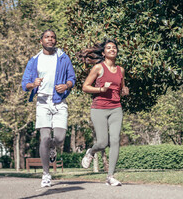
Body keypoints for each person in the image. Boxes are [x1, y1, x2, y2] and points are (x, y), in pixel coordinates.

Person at [22, 29, 76, 188]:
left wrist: (66, 85)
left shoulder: (63, 58)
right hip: (43, 102)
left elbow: (72, 78)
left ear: (56, 41)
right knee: (44, 138)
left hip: (60, 101)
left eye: (53, 37)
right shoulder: (34, 60)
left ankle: (53, 147)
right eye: (47, 37)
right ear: (41, 41)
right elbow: (25, 83)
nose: (50, 40)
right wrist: (34, 84)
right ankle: (46, 174)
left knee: (59, 139)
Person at [77, 38, 129, 186]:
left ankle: (110, 176)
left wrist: (124, 91)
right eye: (109, 48)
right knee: (102, 142)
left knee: (115, 141)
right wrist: (100, 89)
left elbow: (121, 88)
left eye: (114, 48)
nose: (112, 50)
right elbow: (85, 87)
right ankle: (91, 152)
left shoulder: (121, 70)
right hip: (99, 108)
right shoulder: (98, 68)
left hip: (116, 108)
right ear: (104, 52)